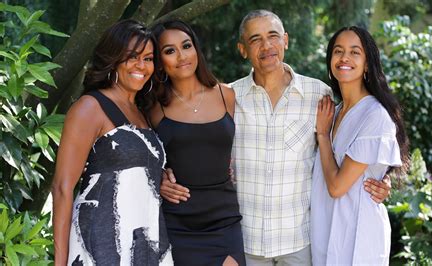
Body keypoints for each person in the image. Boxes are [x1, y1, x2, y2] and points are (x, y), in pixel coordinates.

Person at [160, 10, 392, 265]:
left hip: (299, 241)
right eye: (255, 39)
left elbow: (355, 144)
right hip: (246, 240)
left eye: (273, 36)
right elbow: (195, 144)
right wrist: (162, 173)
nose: (266, 45)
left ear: (286, 41)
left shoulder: (319, 95)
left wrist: (384, 178)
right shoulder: (228, 98)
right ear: (242, 49)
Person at [51, 19, 172, 265]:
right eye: (132, 57)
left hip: (146, 243)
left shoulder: (141, 112)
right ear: (114, 58)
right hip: (101, 246)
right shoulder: (90, 108)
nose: (141, 66)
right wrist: (60, 262)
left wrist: (162, 176)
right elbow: (62, 188)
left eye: (148, 59)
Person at [145, 20, 245, 266]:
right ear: (159, 61)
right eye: (169, 51)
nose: (181, 56)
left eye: (186, 46)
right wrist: (156, 179)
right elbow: (139, 156)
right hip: (178, 221)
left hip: (224, 218)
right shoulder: (153, 107)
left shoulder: (226, 95)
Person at [311, 26, 410, 265]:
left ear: (367, 64)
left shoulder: (374, 115)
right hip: (323, 233)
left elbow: (336, 187)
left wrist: (323, 136)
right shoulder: (331, 112)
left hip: (357, 239)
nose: (344, 58)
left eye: (355, 52)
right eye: (338, 51)